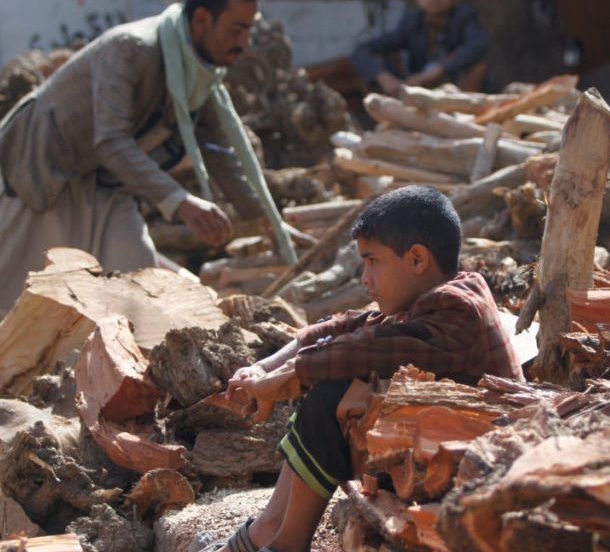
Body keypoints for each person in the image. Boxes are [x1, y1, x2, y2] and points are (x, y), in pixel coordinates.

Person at [0, 0, 304, 336]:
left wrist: (265, 219)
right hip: (37, 171)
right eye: (237, 29)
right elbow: (110, 141)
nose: (244, 42)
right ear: (202, 20)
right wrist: (180, 201)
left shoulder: (197, 74)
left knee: (140, 283)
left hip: (103, 186)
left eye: (249, 29)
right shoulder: (131, 49)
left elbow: (218, 150)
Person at [205, 185, 524, 552]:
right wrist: (264, 369)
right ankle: (267, 529)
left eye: (373, 261)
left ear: (417, 260)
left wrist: (290, 376)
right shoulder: (428, 295)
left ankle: (286, 543)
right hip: (437, 450)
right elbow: (345, 326)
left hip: (481, 466)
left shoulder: (458, 309)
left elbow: (368, 350)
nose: (365, 278)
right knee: (329, 382)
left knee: (332, 393)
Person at [350, 0, 488, 97]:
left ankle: (466, 115)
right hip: (419, 87)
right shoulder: (412, 22)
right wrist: (384, 78)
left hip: (453, 87)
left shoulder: (464, 18)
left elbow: (477, 46)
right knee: (371, 64)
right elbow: (363, 49)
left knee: (478, 67)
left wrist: (438, 71)